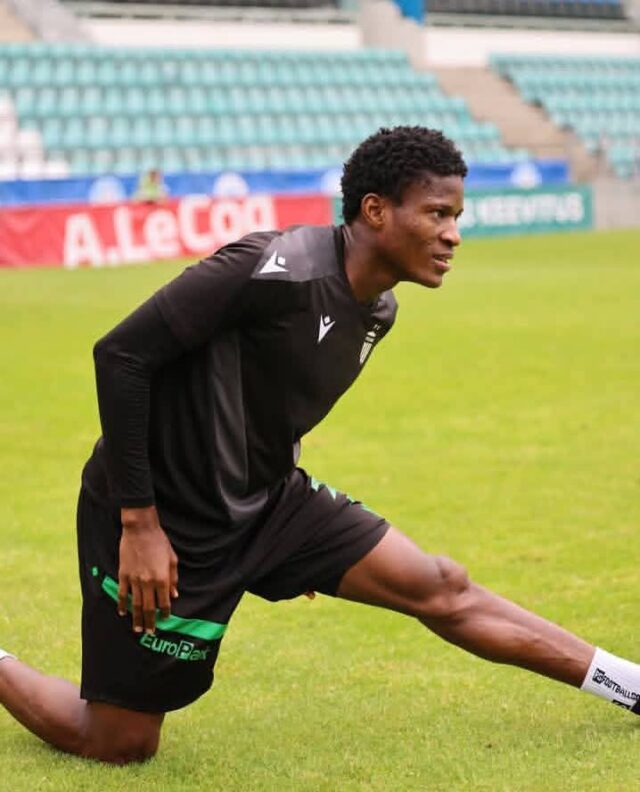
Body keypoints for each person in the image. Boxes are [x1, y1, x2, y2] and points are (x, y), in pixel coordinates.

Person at [1, 126, 639, 765]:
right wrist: (139, 523)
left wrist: (295, 549)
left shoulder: (379, 311)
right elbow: (121, 356)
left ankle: (631, 686)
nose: (453, 235)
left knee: (440, 584)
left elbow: (268, 407)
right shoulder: (270, 268)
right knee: (120, 741)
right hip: (164, 515)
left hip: (267, 505)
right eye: (438, 214)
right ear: (375, 210)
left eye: (457, 217)